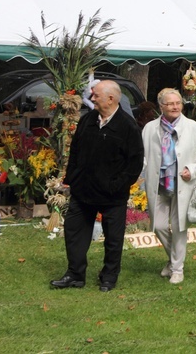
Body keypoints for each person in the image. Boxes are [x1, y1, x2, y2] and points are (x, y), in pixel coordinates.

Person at [50, 80, 144, 292]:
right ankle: (75, 274)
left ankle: (109, 277)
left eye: (96, 95)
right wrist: (72, 178)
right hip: (83, 192)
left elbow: (134, 164)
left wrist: (115, 185)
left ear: (111, 99)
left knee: (113, 239)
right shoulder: (87, 120)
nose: (91, 98)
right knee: (74, 233)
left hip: (112, 195)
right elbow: (74, 151)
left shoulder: (128, 126)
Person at [142, 88, 196, 284]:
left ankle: (177, 269)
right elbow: (143, 156)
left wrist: (193, 169)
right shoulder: (150, 128)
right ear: (161, 106)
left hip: (183, 185)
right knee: (158, 225)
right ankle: (173, 260)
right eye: (170, 104)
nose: (175, 107)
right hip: (159, 185)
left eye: (178, 103)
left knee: (180, 227)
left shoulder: (192, 127)